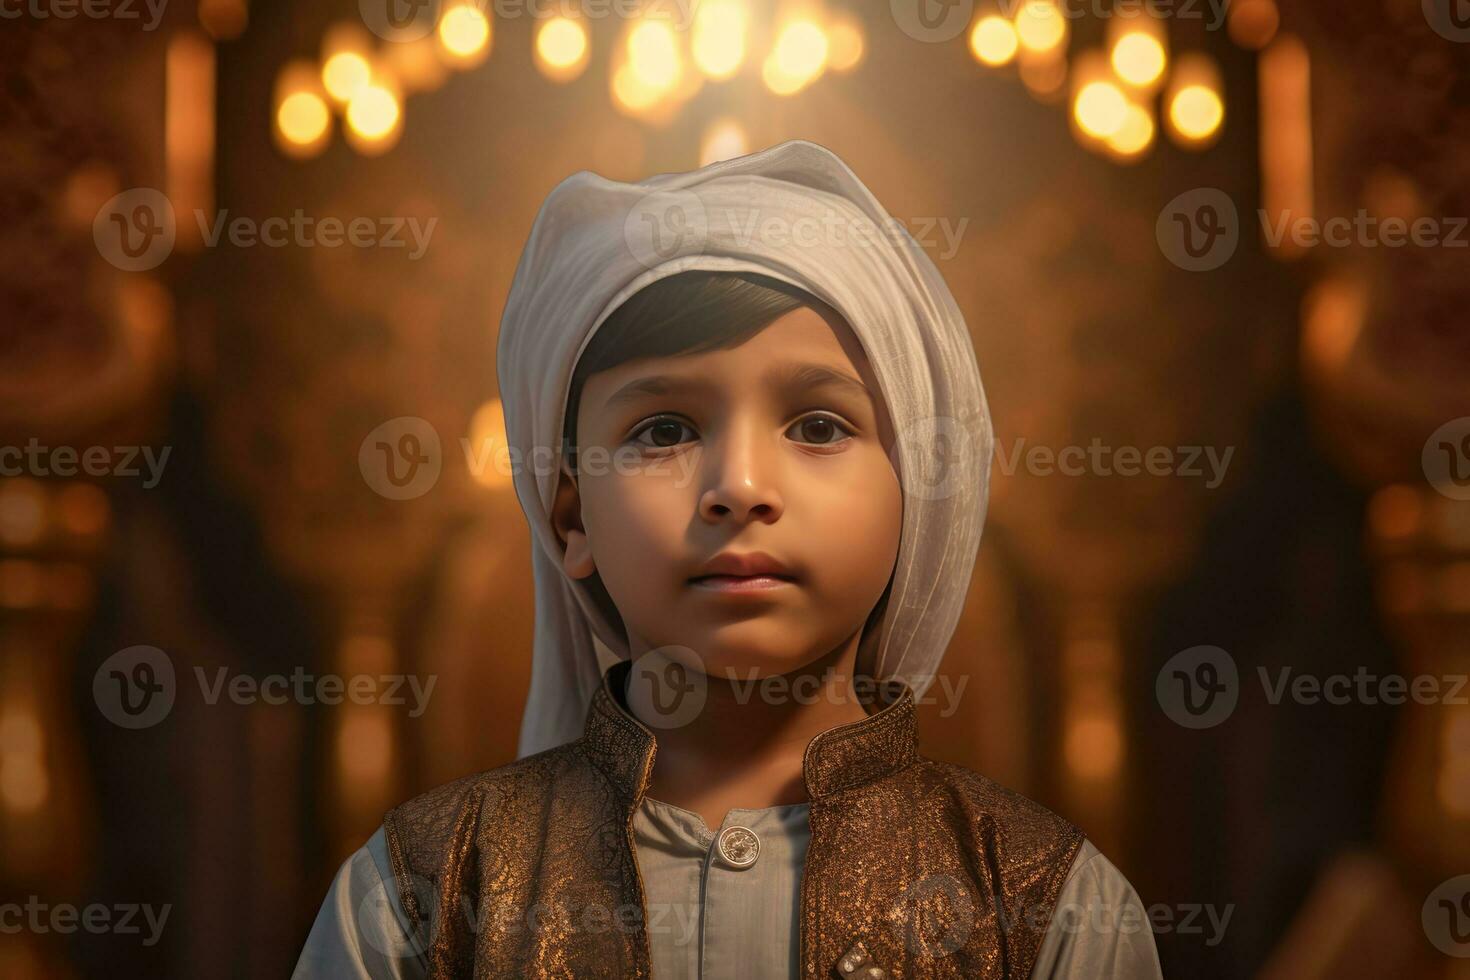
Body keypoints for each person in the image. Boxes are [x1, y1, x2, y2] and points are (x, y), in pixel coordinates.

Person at [293, 140, 1163, 979]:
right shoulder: (418, 899)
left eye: (820, 426)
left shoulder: (1047, 907)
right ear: (571, 516)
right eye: (664, 430)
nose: (740, 487)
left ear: (916, 494)